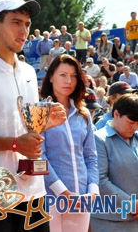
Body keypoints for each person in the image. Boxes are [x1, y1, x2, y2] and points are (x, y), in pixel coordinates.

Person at [0, 0, 67, 232]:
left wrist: (46, 123)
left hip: (34, 192)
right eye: (16, 22)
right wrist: (16, 144)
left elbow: (26, 128)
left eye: (27, 24)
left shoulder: (29, 71)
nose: (23, 30)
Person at [40, 55, 99, 232]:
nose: (69, 81)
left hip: (82, 197)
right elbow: (39, 157)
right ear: (51, 77)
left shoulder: (84, 115)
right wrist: (63, 192)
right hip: (50, 196)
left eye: (73, 76)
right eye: (63, 75)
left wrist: (93, 191)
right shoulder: (40, 111)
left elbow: (91, 157)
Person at [91, 94, 138, 231]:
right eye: (130, 122)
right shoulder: (99, 139)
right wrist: (130, 204)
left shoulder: (136, 138)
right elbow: (99, 180)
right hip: (110, 221)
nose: (134, 127)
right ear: (116, 114)